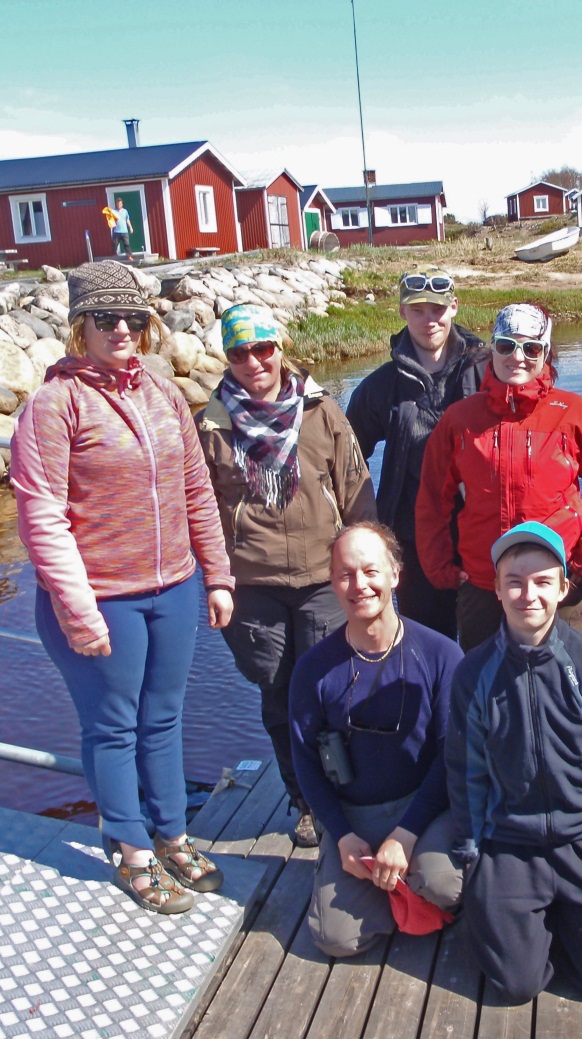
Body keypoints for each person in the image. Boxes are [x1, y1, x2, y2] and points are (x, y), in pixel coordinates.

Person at [10, 260, 234, 914]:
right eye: (105, 318)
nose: (121, 330)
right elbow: (42, 516)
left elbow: (197, 491)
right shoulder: (54, 405)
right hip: (102, 597)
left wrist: (216, 575)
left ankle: (172, 833)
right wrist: (78, 612)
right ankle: (132, 851)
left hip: (173, 591)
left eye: (133, 317)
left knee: (163, 718)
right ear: (80, 325)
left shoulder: (162, 393)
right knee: (113, 727)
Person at [447, 522, 582, 1004]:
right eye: (514, 581)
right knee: (514, 986)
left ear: (563, 587)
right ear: (495, 588)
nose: (527, 595)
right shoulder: (473, 671)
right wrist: (471, 851)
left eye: (542, 581)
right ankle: (530, 920)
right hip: (509, 839)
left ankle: (567, 916)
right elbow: (466, 769)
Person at [199, 303, 375, 849]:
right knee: (280, 699)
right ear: (227, 357)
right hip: (252, 587)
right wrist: (214, 580)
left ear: (280, 347)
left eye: (263, 348)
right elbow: (197, 510)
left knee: (335, 692)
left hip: (326, 581)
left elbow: (357, 492)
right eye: (239, 352)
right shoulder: (211, 426)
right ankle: (304, 801)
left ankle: (348, 795)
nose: (253, 362)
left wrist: (372, 565)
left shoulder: (322, 413)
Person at [288, 522, 464, 956]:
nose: (359, 585)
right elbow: (306, 763)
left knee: (447, 888)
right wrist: (341, 834)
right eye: (345, 574)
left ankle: (407, 880)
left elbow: (451, 756)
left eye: (371, 571)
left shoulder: (441, 654)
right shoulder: (313, 669)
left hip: (423, 805)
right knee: (335, 940)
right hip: (355, 814)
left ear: (395, 574)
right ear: (331, 582)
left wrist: (405, 835)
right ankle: (382, 884)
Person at [416, 303, 582, 650]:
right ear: (492, 349)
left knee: (568, 694)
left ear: (546, 353)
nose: (518, 357)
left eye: (531, 348)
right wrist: (441, 567)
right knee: (485, 695)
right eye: (506, 346)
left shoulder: (574, 412)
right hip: (484, 587)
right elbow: (431, 499)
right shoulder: (459, 419)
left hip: (559, 584)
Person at [345, 265, 487, 639]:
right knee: (428, 645)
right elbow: (346, 460)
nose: (430, 321)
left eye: (437, 310)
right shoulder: (380, 387)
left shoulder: (487, 371)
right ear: (403, 312)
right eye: (418, 310)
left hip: (482, 533)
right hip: (414, 538)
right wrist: (365, 530)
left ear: (454, 307)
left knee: (487, 649)